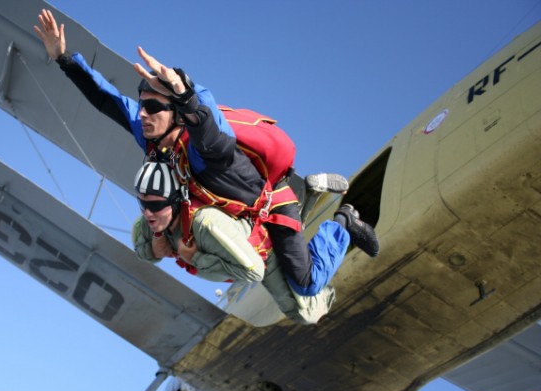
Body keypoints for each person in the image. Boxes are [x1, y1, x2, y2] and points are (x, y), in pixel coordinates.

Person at [34, 10, 378, 298]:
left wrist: (185, 94)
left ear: (177, 114)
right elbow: (106, 99)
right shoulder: (152, 134)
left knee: (306, 283)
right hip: (233, 213)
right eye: (142, 105)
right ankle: (314, 194)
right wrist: (64, 59)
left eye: (153, 107)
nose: (142, 114)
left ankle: (344, 222)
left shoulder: (204, 147)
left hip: (272, 203)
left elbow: (210, 132)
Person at [132, 161, 371, 324]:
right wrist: (155, 246)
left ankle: (344, 221)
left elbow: (254, 271)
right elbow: (140, 248)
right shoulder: (151, 223)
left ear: (176, 200)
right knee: (293, 242)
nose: (148, 213)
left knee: (306, 303)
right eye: (143, 205)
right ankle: (310, 192)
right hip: (263, 221)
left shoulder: (207, 224)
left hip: (264, 251)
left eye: (154, 205)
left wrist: (196, 258)